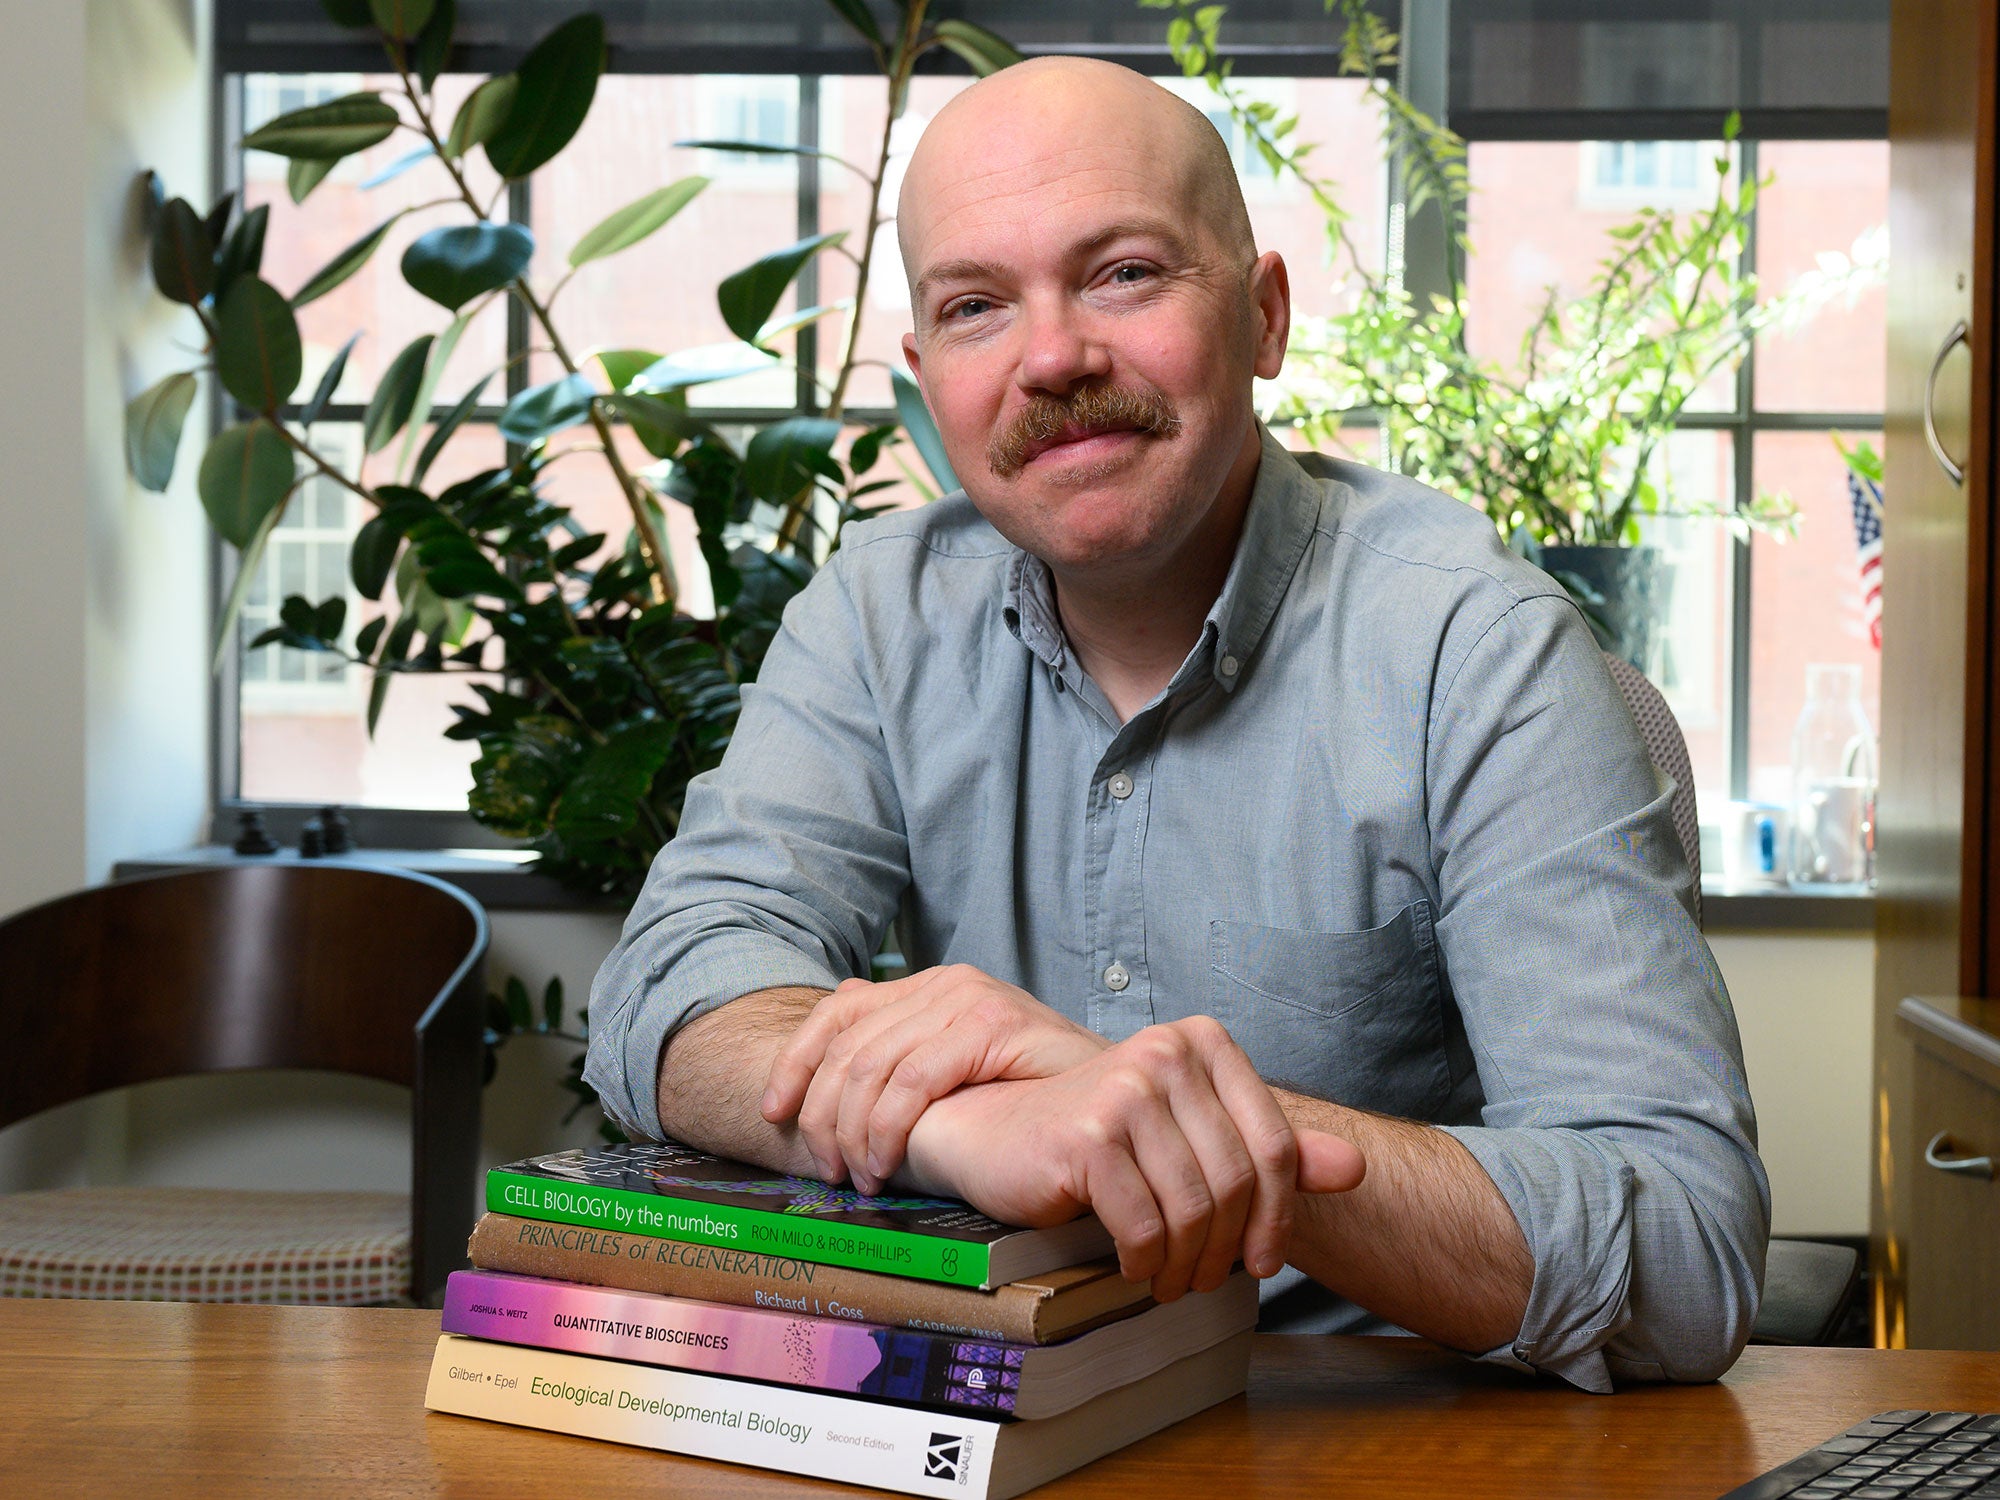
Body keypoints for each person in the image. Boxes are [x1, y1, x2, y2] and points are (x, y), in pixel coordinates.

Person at [583, 56, 1767, 1394]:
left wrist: (1130, 1103)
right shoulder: (875, 614)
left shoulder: (1478, 650)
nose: (1051, 359)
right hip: (995, 1412)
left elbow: (1685, 1246)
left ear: (1261, 317)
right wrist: (970, 1118)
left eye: (1125, 273)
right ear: (926, 380)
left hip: (1371, 1439)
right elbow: (665, 991)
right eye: (977, 306)